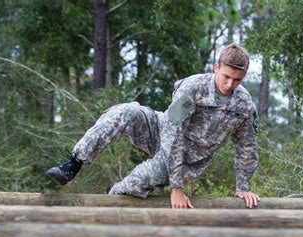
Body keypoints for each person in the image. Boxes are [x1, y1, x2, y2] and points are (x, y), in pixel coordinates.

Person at [46, 43, 260, 208]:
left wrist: (243, 187)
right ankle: (73, 164)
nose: (230, 84)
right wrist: (176, 187)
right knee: (125, 111)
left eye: (237, 80)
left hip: (188, 157)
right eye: (226, 76)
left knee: (136, 183)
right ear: (216, 67)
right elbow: (173, 130)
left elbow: (247, 146)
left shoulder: (243, 104)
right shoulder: (193, 88)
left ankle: (112, 200)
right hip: (161, 128)